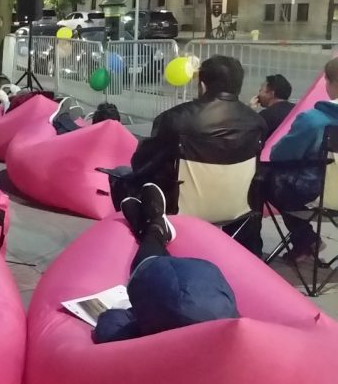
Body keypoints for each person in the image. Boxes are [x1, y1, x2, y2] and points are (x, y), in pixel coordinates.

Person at [115, 56, 265, 213]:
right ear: (238, 86)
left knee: (121, 175)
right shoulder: (257, 123)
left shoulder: (174, 118)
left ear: (202, 86)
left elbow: (143, 163)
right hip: (239, 211)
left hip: (179, 210)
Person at [94, 184, 240, 343]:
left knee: (149, 268)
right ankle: (153, 228)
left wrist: (132, 311)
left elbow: (109, 328)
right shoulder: (232, 326)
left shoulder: (154, 342)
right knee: (158, 272)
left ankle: (153, 229)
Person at [265, 59, 338, 262]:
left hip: (318, 191)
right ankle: (306, 241)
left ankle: (305, 239)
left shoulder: (314, 120)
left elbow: (280, 155)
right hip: (327, 190)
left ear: (331, 83)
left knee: (270, 181)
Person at [252, 74, 295, 138]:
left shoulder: (266, 115)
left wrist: (250, 112)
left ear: (271, 94)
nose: (258, 94)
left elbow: (250, 135)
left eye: (260, 90)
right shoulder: (297, 110)